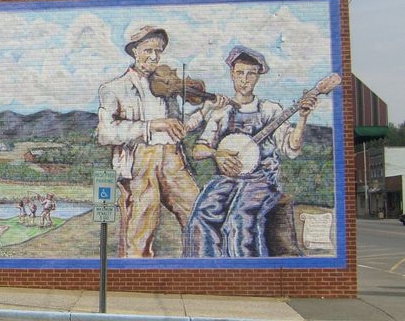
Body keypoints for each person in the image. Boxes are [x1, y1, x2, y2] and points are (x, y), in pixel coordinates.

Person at [97, 25, 228, 257]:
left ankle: (199, 271)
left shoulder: (166, 87)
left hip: (171, 158)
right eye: (148, 50)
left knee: (198, 214)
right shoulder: (113, 88)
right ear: (134, 51)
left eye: (159, 51)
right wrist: (151, 125)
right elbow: (105, 133)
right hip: (139, 161)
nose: (154, 56)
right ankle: (134, 280)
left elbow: (178, 128)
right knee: (140, 229)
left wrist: (206, 109)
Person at [183, 45, 318, 257]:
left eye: (251, 74)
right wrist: (216, 153)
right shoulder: (222, 111)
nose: (244, 79)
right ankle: (205, 271)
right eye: (240, 73)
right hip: (226, 180)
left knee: (239, 222)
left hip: (261, 181)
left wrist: (302, 118)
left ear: (257, 78)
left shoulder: (270, 109)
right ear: (232, 74)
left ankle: (248, 274)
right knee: (201, 215)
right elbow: (198, 150)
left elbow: (291, 148)